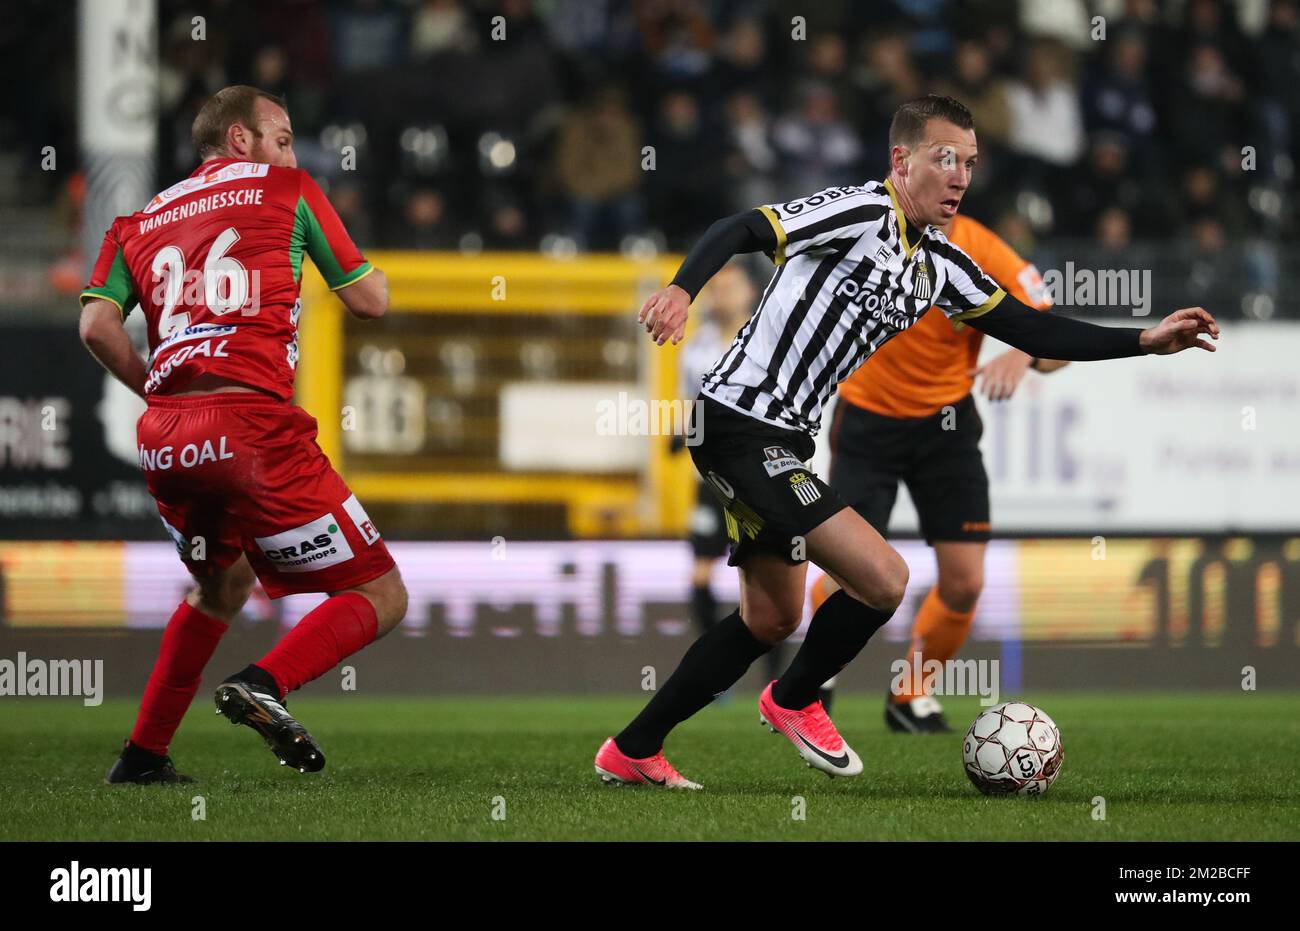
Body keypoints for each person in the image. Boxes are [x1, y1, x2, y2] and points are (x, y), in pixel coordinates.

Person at [593, 95, 1217, 789]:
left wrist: (1146, 340)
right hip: (738, 420)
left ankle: (634, 747)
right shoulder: (860, 212)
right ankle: (795, 698)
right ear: (902, 159)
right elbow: (742, 225)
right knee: (884, 578)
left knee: (770, 617)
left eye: (971, 164)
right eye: (945, 158)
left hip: (781, 438)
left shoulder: (941, 267)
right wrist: (683, 288)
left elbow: (1036, 331)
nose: (960, 176)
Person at [80, 85, 408, 783]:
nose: (289, 151)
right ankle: (265, 683)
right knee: (382, 594)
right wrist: (376, 262)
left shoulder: (135, 221)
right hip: (251, 426)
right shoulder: (288, 190)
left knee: (219, 589)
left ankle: (141, 756)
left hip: (166, 437)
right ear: (241, 140)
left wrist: (156, 388)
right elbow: (369, 299)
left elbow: (95, 326)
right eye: (282, 137)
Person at [809, 209, 1065, 734]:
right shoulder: (863, 229)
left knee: (966, 581)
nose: (950, 183)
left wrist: (1022, 355)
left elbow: (1051, 331)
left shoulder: (982, 247)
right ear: (902, 168)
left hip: (945, 429)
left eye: (962, 169)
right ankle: (814, 680)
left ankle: (911, 696)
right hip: (866, 422)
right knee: (847, 572)